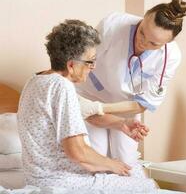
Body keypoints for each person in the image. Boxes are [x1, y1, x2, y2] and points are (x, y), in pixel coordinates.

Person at [17, 19, 156, 192]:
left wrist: (121, 124)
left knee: (131, 174)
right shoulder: (62, 86)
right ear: (71, 65)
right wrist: (113, 165)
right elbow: (77, 151)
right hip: (64, 181)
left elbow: (86, 113)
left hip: (39, 180)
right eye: (90, 61)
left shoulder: (36, 81)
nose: (93, 67)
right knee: (148, 186)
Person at [76, 0, 186, 165]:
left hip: (125, 105)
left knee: (126, 161)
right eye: (142, 32)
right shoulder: (113, 24)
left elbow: (144, 102)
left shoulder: (170, 56)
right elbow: (82, 61)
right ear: (143, 18)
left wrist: (104, 111)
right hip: (91, 94)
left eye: (153, 43)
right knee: (95, 157)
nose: (142, 42)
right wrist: (89, 107)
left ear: (168, 43)